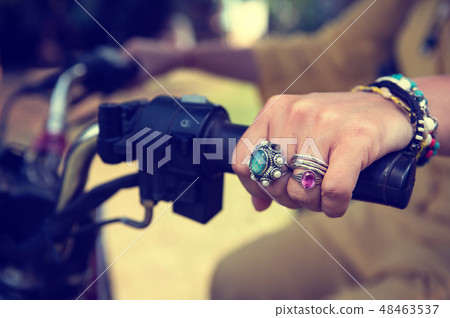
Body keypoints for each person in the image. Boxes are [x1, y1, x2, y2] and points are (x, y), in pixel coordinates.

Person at [125, 0, 450, 299]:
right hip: (390, 217)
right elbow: (331, 57)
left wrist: (399, 106)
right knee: (238, 281)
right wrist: (183, 57)